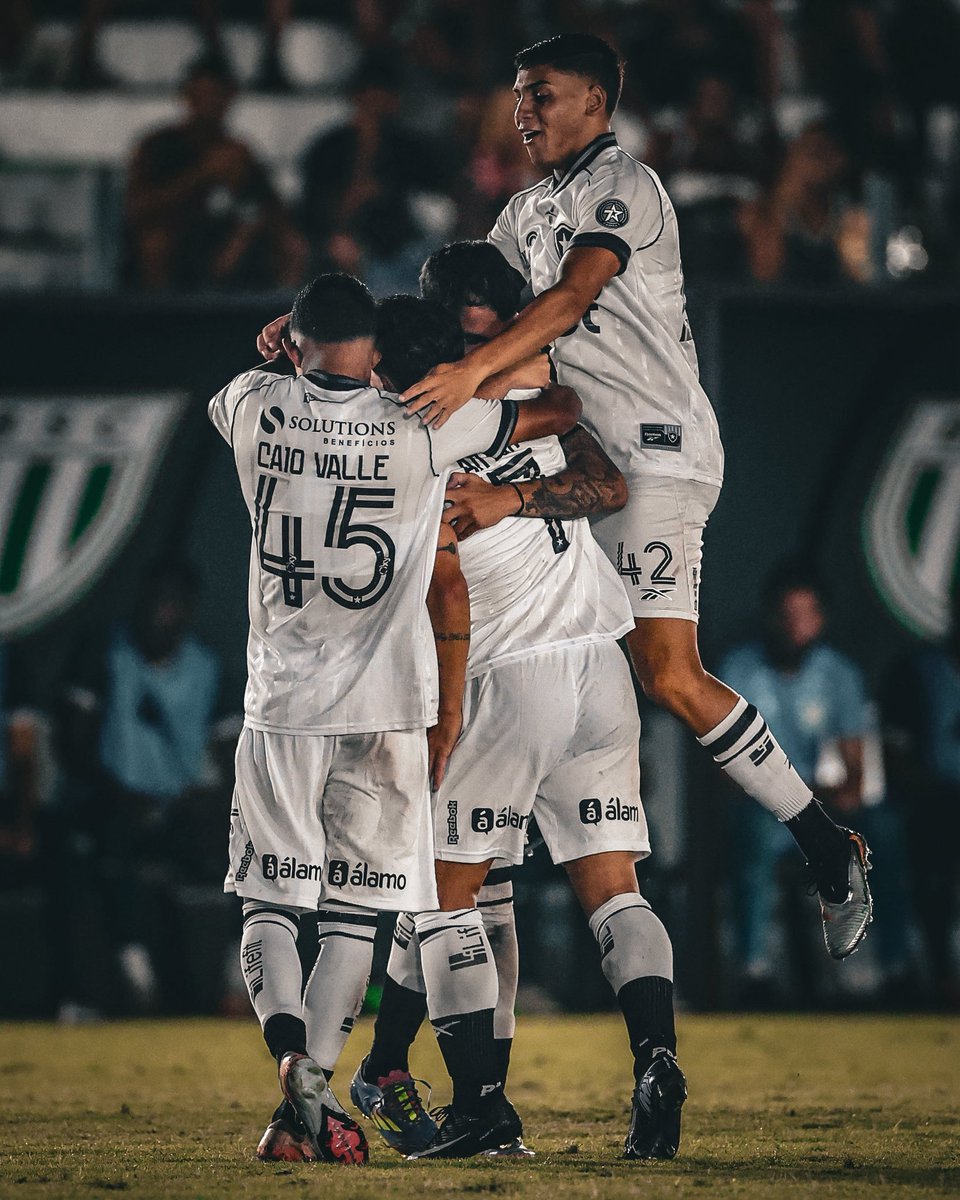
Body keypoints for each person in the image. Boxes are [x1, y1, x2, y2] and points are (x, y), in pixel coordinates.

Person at [353, 32, 872, 971]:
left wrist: (474, 372)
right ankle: (510, 873)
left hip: (655, 452)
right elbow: (483, 313)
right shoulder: (522, 212)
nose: (524, 110)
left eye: (542, 93)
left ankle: (825, 843)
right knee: (538, 658)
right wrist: (338, 337)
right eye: (517, 94)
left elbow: (569, 298)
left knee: (666, 669)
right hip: (580, 451)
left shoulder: (625, 184)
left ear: (598, 102)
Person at [210, 272, 580, 1164]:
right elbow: (561, 409)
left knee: (270, 902)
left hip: (283, 705)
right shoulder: (425, 424)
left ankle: (291, 1059)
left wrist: (283, 340)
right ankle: (318, 1093)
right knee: (354, 919)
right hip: (387, 709)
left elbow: (262, 370)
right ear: (375, 350)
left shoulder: (253, 406)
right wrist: (472, 379)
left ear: (294, 344)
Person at [347, 260, 686, 1161]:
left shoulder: (408, 439)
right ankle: (657, 1058)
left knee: (442, 899)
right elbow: (595, 461)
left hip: (506, 679)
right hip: (600, 669)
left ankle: (481, 1109)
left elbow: (444, 591)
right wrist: (520, 484)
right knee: (613, 888)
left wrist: (441, 713)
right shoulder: (520, 402)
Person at [59, 559, 220, 1012]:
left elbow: (227, 759)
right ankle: (131, 978)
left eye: (172, 602)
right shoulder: (105, 653)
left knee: (239, 851)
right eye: (154, 600)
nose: (160, 613)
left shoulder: (206, 667)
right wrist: (122, 797)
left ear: (189, 608)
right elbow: (74, 746)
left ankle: (232, 981)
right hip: (116, 806)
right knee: (102, 848)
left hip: (184, 811)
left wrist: (200, 801)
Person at [719, 564, 872, 1005]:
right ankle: (754, 972)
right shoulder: (738, 667)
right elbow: (725, 775)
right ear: (769, 617)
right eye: (786, 615)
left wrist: (823, 804)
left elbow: (853, 778)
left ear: (821, 619)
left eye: (805, 616)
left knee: (880, 832)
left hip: (816, 808)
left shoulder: (838, 673)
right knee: (759, 835)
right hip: (760, 808)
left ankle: (871, 975)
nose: (795, 628)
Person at [126, 54, 307, 291]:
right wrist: (202, 174)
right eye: (202, 95)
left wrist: (249, 224)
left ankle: (277, 321)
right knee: (156, 243)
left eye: (217, 96)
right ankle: (159, 322)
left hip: (225, 238)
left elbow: (271, 208)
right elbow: (138, 209)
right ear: (187, 96)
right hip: (177, 234)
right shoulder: (158, 145)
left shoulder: (238, 152)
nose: (210, 104)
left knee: (290, 244)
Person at [882, 585, 960, 1008]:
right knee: (921, 853)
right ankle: (939, 976)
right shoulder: (918, 672)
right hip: (935, 803)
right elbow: (897, 754)